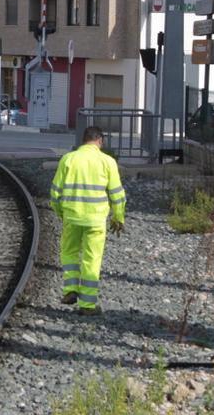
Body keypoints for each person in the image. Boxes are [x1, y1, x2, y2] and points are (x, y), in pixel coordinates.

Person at [50, 127, 126, 316]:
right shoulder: (107, 161)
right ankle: (87, 305)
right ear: (100, 141)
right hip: (96, 219)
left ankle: (71, 289)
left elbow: (55, 194)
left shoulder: (68, 159)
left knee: (69, 252)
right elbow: (117, 194)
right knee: (92, 259)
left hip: (72, 216)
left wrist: (62, 213)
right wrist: (118, 217)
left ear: (83, 140)